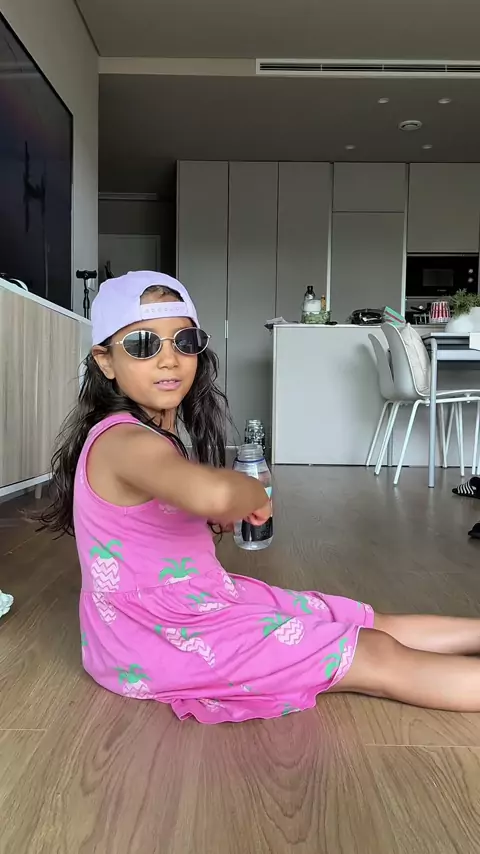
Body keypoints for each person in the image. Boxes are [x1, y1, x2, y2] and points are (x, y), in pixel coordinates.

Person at [41, 271, 480, 723]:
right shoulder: (123, 441)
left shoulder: (151, 436)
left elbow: (165, 521)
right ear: (106, 361)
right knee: (374, 652)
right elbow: (214, 493)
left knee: (358, 620)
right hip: (155, 636)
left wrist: (200, 518)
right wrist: (250, 491)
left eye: (184, 341)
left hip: (197, 600)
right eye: (143, 345)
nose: (168, 359)